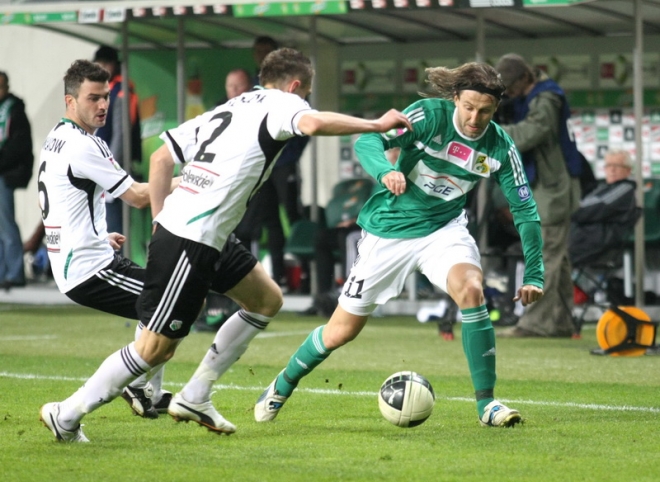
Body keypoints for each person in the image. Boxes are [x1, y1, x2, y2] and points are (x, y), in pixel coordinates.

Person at [39, 47, 412, 443]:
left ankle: (197, 393)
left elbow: (163, 158)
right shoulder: (282, 102)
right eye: (306, 93)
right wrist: (375, 124)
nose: (303, 101)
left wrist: (159, 220)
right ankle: (68, 413)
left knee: (266, 299)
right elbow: (314, 122)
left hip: (207, 233)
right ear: (297, 85)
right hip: (192, 235)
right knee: (155, 348)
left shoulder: (234, 105)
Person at [254, 61, 544, 428]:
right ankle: (283, 383)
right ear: (455, 98)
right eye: (468, 107)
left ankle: (487, 404)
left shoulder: (500, 147)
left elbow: (525, 210)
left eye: (484, 111)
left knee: (472, 290)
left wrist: (534, 273)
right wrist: (385, 171)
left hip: (444, 230)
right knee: (340, 331)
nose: (475, 117)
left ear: (495, 109)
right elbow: (369, 139)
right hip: (389, 231)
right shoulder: (428, 116)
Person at [37, 60, 179, 422]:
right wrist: (198, 179)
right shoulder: (84, 145)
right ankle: (84, 407)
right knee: (171, 303)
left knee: (167, 303)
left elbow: (66, 198)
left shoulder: (58, 136)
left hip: (85, 257)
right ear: (71, 101)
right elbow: (139, 196)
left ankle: (147, 388)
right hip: (90, 268)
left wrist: (97, 234)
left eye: (106, 97)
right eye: (93, 98)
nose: (102, 105)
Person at [495, 53, 581, 338]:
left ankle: (534, 324)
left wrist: (491, 132)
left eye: (509, 87)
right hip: (549, 188)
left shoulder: (546, 98)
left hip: (554, 189)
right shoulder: (535, 96)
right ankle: (560, 322)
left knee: (544, 256)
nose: (507, 94)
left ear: (524, 78)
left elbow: (530, 134)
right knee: (558, 259)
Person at [93, 45, 143, 236]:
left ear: (113, 64)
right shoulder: (109, 89)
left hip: (112, 170)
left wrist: (109, 168)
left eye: (104, 63)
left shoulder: (122, 91)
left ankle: (114, 266)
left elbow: (121, 134)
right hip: (102, 169)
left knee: (113, 229)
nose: (101, 68)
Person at [569, 149, 638, 267]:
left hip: (595, 244)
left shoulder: (625, 188)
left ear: (628, 170)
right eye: (608, 165)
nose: (612, 170)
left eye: (617, 166)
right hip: (580, 238)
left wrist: (565, 211)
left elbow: (590, 209)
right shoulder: (602, 187)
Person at [0, 71, 33, 290]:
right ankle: (4, 272)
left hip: (4, 173)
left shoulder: (14, 110)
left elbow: (17, 147)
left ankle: (14, 272)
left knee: (6, 225)